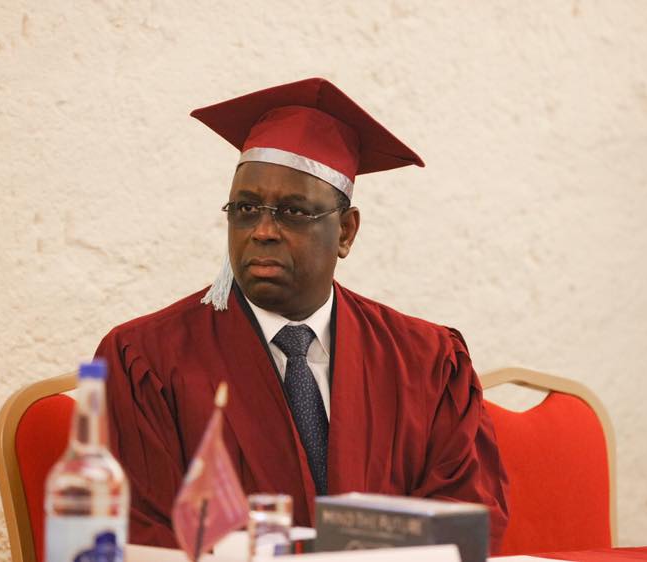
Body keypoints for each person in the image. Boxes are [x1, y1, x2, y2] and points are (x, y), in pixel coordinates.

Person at [95, 77, 509, 550]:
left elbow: (466, 515)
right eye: (245, 208)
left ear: (347, 232)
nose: (263, 231)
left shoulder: (429, 361)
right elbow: (142, 533)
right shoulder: (145, 359)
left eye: (293, 212)